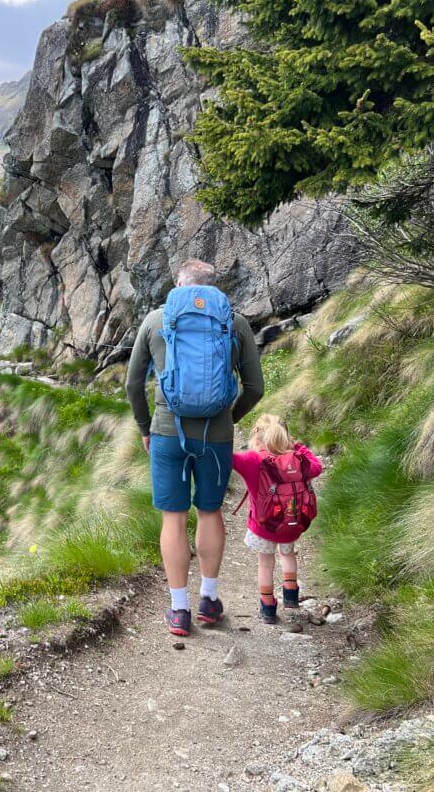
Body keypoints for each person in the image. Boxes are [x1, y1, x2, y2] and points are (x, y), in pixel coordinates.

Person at [126, 259, 264, 636]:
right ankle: (208, 600)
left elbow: (133, 385)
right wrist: (227, 420)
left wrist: (144, 427)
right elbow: (255, 388)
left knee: (173, 517)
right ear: (214, 286)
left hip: (167, 432)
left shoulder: (156, 321)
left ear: (178, 284)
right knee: (209, 512)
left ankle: (179, 610)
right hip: (215, 434)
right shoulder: (233, 323)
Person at [233, 415, 323, 624]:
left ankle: (268, 608)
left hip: (264, 526)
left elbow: (228, 458)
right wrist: (297, 446)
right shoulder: (299, 460)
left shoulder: (253, 460)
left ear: (257, 436)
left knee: (265, 564)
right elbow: (317, 467)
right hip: (292, 524)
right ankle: (291, 595)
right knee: (288, 554)